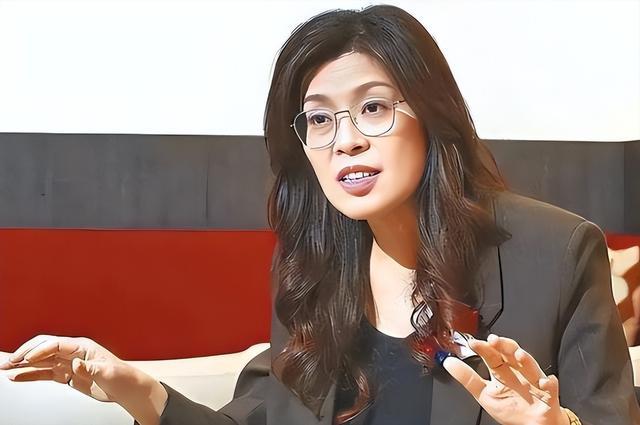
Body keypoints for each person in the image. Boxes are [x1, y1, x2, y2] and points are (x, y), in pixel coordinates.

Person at [1, 4, 638, 425]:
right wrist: (134, 388)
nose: (346, 141)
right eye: (320, 119)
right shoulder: (315, 262)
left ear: (431, 116)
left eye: (373, 108)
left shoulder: (556, 254)